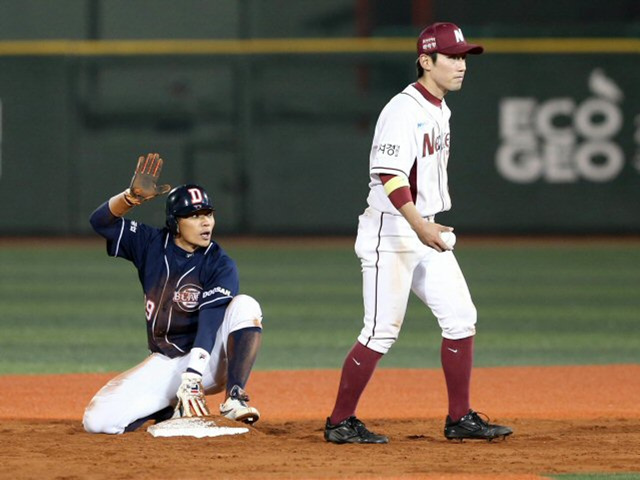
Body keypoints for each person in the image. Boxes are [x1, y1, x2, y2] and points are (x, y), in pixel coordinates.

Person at [324, 22, 513, 444]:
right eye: (452, 57)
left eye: (464, 57)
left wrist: (425, 225)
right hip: (392, 230)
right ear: (426, 61)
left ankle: (460, 418)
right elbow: (390, 175)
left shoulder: (440, 107)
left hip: (423, 227)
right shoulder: (403, 109)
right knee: (380, 331)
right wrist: (418, 223)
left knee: (461, 318)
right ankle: (339, 422)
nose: (461, 65)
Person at [83, 153, 263, 434]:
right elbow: (100, 222)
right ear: (175, 222)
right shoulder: (149, 244)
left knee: (245, 306)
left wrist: (193, 376)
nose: (206, 223)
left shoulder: (219, 262)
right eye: (194, 216)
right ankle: (167, 409)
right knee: (98, 423)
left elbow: (211, 319)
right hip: (166, 361)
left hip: (210, 361)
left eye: (208, 214)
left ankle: (234, 397)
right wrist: (130, 197)